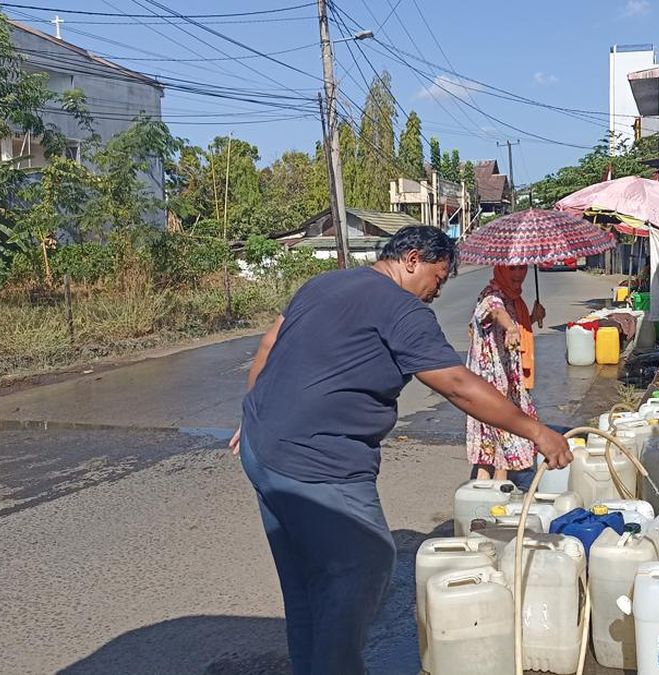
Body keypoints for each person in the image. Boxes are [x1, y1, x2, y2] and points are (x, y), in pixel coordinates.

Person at [229, 227, 572, 675]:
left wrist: (257, 408)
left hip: (262, 448)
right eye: (439, 277)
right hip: (320, 465)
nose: (438, 290)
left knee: (305, 583)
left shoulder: (324, 283)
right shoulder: (402, 309)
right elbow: (456, 385)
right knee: (364, 563)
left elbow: (271, 343)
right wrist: (537, 431)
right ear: (411, 259)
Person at [465, 265, 546, 489]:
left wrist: (530, 318)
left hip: (508, 378)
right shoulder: (491, 296)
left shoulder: (514, 299)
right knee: (499, 432)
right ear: (500, 269)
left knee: (499, 439)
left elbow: (515, 332)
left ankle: (493, 493)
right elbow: (495, 312)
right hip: (490, 381)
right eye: (512, 269)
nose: (518, 274)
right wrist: (510, 326)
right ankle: (492, 494)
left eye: (522, 268)